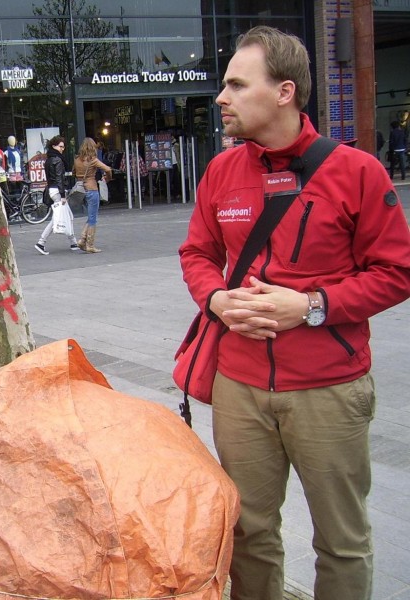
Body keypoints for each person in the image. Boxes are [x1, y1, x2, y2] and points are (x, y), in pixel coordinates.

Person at [179, 26, 410, 600]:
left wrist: (311, 306)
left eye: (236, 84)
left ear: (284, 91)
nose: (221, 98)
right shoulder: (221, 172)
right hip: (239, 385)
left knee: (342, 539)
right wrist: (216, 299)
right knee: (249, 532)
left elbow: (397, 272)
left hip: (328, 388)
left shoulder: (357, 172)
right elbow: (197, 253)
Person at [34, 135, 79, 255]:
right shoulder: (58, 160)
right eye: (60, 146)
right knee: (57, 219)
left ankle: (73, 242)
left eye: (63, 147)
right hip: (58, 191)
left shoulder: (49, 159)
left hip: (52, 190)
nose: (62, 149)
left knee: (67, 215)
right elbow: (59, 178)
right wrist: (63, 194)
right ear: (54, 146)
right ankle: (41, 242)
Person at [73, 137, 112, 253]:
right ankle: (89, 244)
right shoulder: (93, 160)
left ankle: (82, 240)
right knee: (93, 217)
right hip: (92, 188)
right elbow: (108, 169)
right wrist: (107, 178)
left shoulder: (76, 159)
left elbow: (74, 173)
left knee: (91, 216)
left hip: (81, 189)